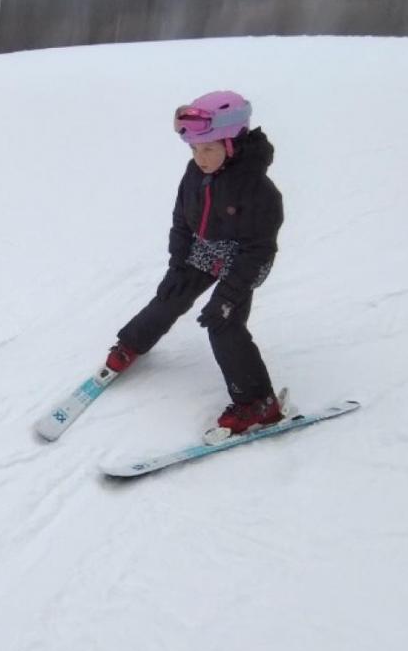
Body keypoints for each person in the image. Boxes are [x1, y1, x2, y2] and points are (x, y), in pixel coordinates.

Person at [105, 90, 285, 439]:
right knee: (172, 293)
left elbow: (258, 250)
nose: (199, 158)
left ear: (232, 144)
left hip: (248, 259)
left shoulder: (260, 192)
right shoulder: (195, 173)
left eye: (208, 149)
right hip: (208, 246)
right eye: (194, 149)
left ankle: (259, 403)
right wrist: (177, 264)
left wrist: (228, 298)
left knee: (224, 323)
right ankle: (131, 343)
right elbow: (182, 220)